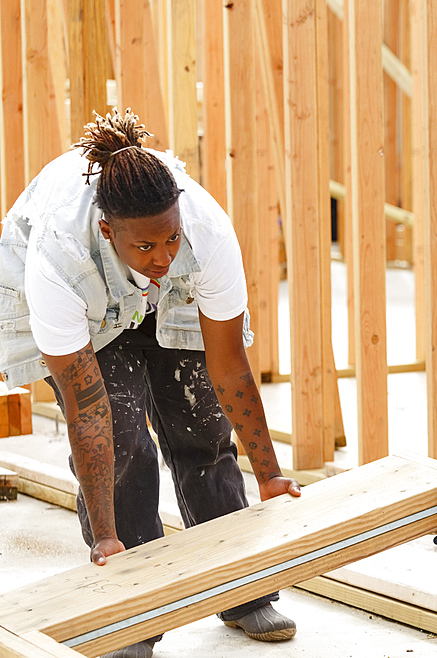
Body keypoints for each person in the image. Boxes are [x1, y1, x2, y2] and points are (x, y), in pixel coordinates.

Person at [0, 109, 301, 658]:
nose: (162, 257)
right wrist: (106, 532)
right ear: (109, 231)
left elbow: (229, 366)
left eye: (170, 240)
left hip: (171, 302)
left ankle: (241, 590)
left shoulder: (205, 234)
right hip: (89, 303)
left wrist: (271, 474)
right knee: (123, 442)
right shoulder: (58, 261)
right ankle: (132, 613)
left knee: (204, 432)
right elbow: (87, 416)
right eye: (145, 247)